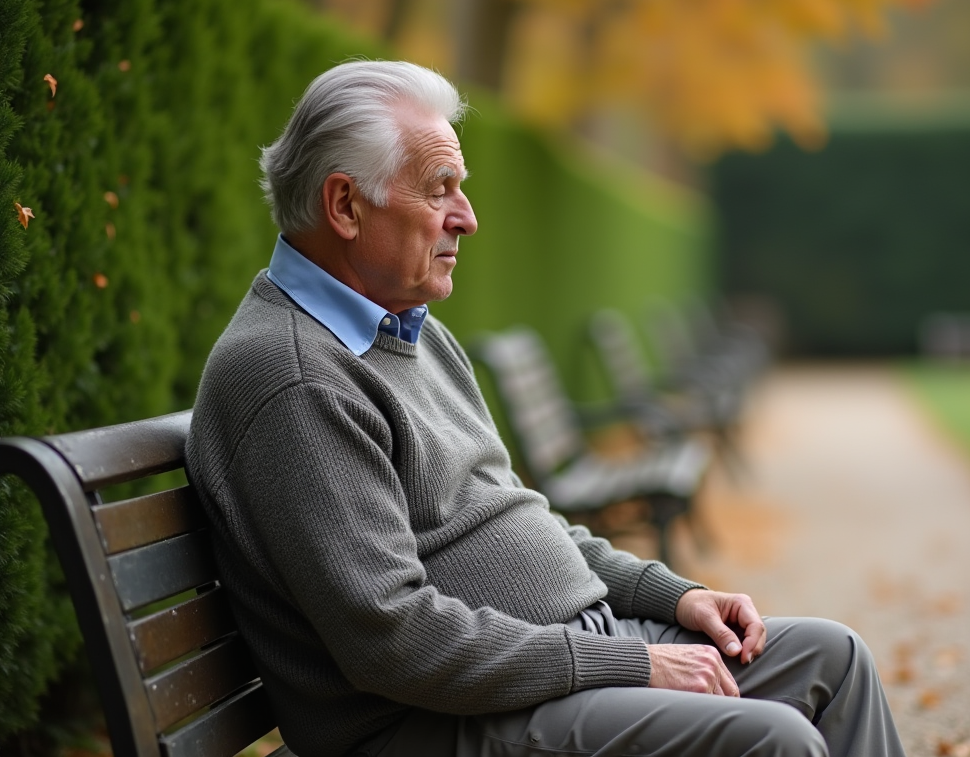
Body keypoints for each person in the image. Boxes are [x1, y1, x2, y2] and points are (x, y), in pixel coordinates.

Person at [185, 60, 906, 757]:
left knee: (833, 659)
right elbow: (395, 641)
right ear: (345, 204)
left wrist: (672, 596)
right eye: (440, 190)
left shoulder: (410, 334)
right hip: (428, 725)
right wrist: (628, 665)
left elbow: (522, 521)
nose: (466, 218)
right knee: (773, 740)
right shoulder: (296, 375)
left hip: (558, 666)